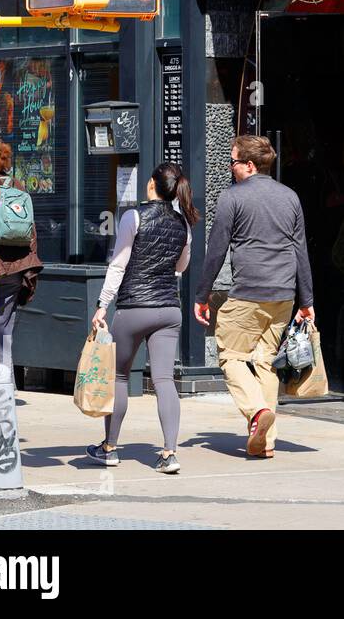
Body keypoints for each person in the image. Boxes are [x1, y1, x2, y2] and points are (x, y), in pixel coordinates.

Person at [195, 135, 314, 459]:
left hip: (248, 292)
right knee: (264, 362)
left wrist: (202, 295)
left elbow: (216, 249)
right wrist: (307, 301)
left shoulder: (232, 198)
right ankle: (266, 441)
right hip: (283, 296)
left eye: (233, 162)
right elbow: (299, 250)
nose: (230, 168)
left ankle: (257, 412)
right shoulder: (289, 197)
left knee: (231, 356)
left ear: (249, 165)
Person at [87, 163, 197, 475]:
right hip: (168, 309)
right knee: (164, 379)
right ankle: (169, 453)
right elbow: (180, 267)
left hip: (134, 307)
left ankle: (109, 448)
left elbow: (118, 265)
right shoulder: (183, 224)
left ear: (151, 185)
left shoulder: (133, 217)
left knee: (119, 376)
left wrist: (102, 304)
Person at [0, 138, 42, 368]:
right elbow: (31, 231)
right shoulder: (18, 187)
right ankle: (5, 392)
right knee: (3, 331)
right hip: (17, 266)